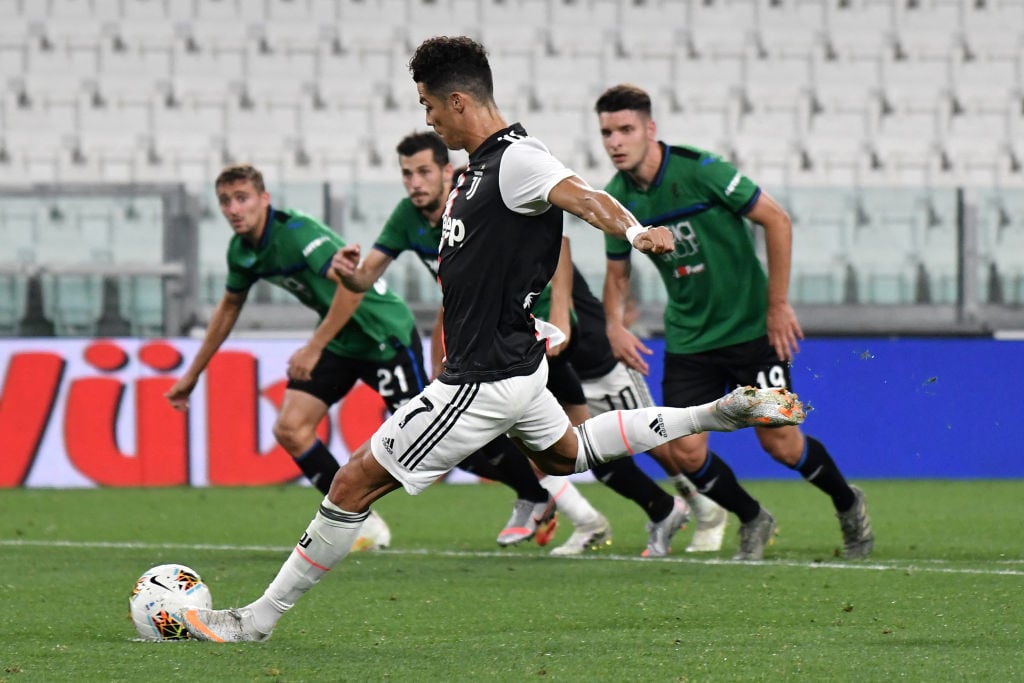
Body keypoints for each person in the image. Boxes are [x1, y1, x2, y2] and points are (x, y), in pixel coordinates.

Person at [178, 36, 805, 643]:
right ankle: (715, 414)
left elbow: (582, 197)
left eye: (427, 103)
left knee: (351, 484)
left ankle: (255, 621)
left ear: (457, 102)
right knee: (566, 454)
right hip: (517, 364)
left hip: (482, 379)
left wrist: (636, 229)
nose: (427, 116)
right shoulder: (476, 170)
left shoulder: (518, 160)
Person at [163, 163, 554, 551]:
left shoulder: (298, 234)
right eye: (225, 201)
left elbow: (351, 291)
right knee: (291, 428)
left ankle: (535, 492)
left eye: (242, 198)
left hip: (382, 333)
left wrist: (313, 348)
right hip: (344, 341)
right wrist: (192, 375)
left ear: (264, 199)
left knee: (441, 442)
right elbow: (228, 309)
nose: (234, 209)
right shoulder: (241, 251)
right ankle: (355, 522)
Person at [593, 84, 873, 561]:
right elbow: (617, 274)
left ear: (649, 129)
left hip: (751, 334)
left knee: (782, 445)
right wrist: (614, 325)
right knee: (683, 451)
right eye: (607, 133)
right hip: (689, 341)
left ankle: (848, 503)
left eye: (626, 129)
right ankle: (752, 517)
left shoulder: (701, 170)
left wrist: (778, 305)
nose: (616, 141)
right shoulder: (618, 200)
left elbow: (777, 219)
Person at [347, 129, 606, 548]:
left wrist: (561, 313)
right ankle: (575, 511)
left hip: (534, 330)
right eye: (407, 174)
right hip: (490, 342)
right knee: (550, 444)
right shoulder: (407, 218)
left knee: (571, 444)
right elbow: (378, 280)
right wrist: (348, 272)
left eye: (424, 172)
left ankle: (662, 503)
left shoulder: (479, 193)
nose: (415, 182)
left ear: (446, 172)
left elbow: (558, 238)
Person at [538, 239, 729, 556]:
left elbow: (561, 242)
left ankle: (706, 510)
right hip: (560, 374)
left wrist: (564, 310)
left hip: (604, 366)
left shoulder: (529, 239)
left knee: (660, 445)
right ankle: (628, 517)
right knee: (586, 455)